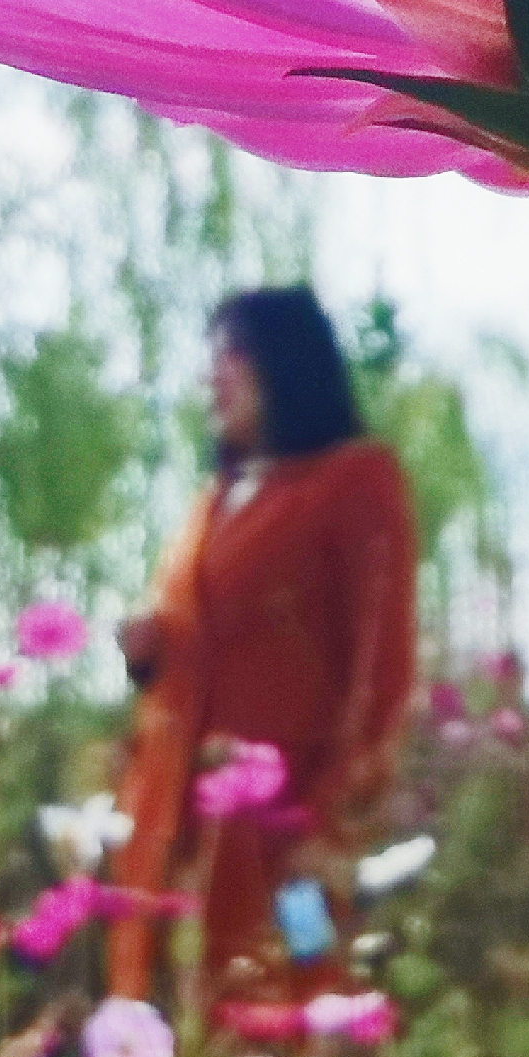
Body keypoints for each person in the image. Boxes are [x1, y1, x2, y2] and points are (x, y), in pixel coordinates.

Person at [105, 287, 417, 1006]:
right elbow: (200, 646)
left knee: (299, 1001)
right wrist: (148, 653)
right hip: (175, 826)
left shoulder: (354, 479)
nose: (211, 376)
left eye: (230, 354)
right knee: (173, 1037)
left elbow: (383, 662)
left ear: (289, 362)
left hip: (285, 834)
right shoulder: (214, 498)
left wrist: (330, 819)